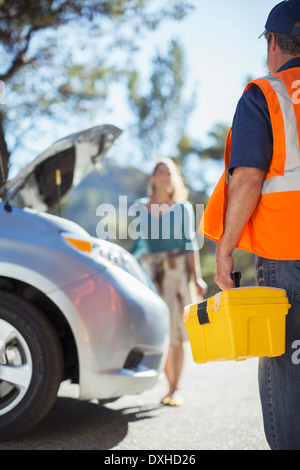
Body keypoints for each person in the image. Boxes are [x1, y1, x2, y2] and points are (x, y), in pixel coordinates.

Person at [199, 0, 300, 450]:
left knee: (288, 368)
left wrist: (225, 249)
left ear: (273, 42)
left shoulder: (265, 92)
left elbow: (249, 177)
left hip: (287, 253)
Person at [131, 157, 207, 407]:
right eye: (160, 172)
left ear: (173, 179)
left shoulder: (182, 207)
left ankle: (176, 389)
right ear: (152, 178)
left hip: (177, 274)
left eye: (169, 173)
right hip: (153, 275)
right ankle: (169, 386)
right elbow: (139, 244)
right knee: (162, 334)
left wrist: (197, 278)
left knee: (176, 333)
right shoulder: (141, 207)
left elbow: (189, 244)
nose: (164, 176)